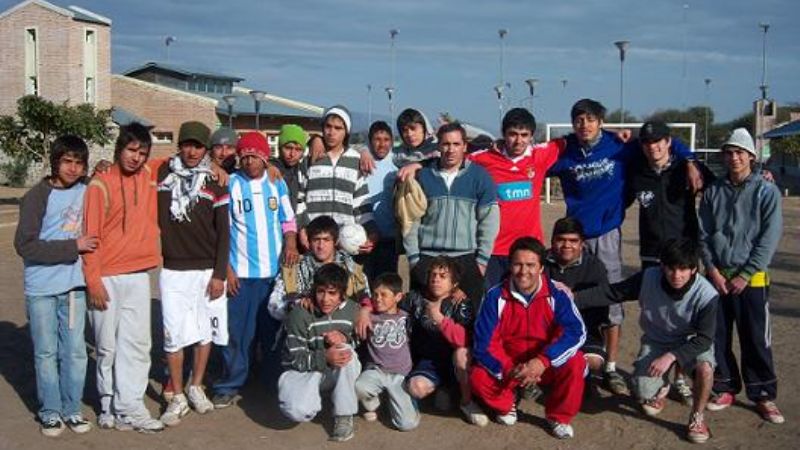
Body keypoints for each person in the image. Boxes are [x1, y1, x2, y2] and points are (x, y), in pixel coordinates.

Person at [547, 98, 702, 395]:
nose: (584, 125)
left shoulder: (620, 146)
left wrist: (692, 161)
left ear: (601, 122)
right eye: (579, 119)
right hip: (574, 237)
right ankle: (572, 360)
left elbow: (666, 142)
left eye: (590, 119)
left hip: (607, 233)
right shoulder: (566, 152)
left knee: (612, 301)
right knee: (567, 299)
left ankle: (610, 366)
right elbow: (532, 163)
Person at [575, 238, 719, 444]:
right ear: (662, 266)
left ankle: (697, 417)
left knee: (705, 369)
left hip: (690, 341)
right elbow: (613, 292)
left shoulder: (707, 295)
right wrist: (573, 297)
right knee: (642, 393)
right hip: (657, 340)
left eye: (683, 269)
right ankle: (661, 387)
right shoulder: (648, 278)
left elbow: (705, 339)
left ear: (694, 269)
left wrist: (671, 357)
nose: (676, 275)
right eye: (671, 268)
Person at [698, 128, 784, 424]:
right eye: (729, 153)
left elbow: (769, 238)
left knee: (756, 339)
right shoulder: (713, 191)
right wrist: (712, 270)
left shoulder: (766, 191)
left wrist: (747, 273)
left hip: (752, 279)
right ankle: (724, 386)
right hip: (717, 278)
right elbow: (704, 234)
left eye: (740, 153)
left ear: (751, 156)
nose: (734, 158)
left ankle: (763, 394)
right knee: (718, 337)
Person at [82, 122, 165, 432]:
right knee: (106, 346)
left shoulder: (149, 176)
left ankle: (130, 405)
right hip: (106, 278)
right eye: (132, 150)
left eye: (143, 153)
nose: (137, 158)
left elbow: (180, 159)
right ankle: (107, 405)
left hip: (138, 275)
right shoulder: (99, 185)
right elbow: (90, 237)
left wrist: (216, 166)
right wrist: (94, 282)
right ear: (119, 149)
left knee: (137, 344)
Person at [627, 120, 715, 404]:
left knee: (685, 317)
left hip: (684, 258)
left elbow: (726, 183)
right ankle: (661, 378)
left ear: (668, 142)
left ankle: (679, 376)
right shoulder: (637, 172)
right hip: (652, 256)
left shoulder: (685, 168)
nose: (653, 147)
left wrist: (763, 177)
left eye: (658, 141)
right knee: (658, 318)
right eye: (647, 142)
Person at [14, 136, 96, 437]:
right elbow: (25, 245)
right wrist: (73, 246)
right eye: (67, 161)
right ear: (56, 161)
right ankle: (50, 411)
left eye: (79, 163)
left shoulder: (87, 190)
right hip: (41, 290)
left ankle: (72, 409)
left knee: (74, 351)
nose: (73, 168)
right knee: (46, 352)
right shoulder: (37, 196)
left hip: (74, 287)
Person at [212, 132, 299, 408]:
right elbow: (220, 231)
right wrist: (227, 269)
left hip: (272, 275)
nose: (249, 161)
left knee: (271, 332)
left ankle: (271, 381)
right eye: (245, 156)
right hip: (241, 275)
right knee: (237, 333)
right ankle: (230, 383)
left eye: (255, 156)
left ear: (265, 157)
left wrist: (291, 245)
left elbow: (288, 220)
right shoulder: (231, 184)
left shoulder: (276, 183)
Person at [470, 237, 586, 439]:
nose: (524, 271)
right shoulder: (494, 296)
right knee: (477, 376)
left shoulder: (556, 294)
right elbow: (484, 344)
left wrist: (542, 361)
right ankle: (507, 405)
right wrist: (509, 368)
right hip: (511, 367)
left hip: (545, 365)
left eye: (531, 265)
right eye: (518, 264)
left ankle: (558, 417)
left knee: (576, 362)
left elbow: (575, 331)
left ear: (541, 267)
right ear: (510, 265)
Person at [156, 122, 230, 426]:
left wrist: (219, 274)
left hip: (206, 270)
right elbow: (128, 162)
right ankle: (177, 396)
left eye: (198, 146)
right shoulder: (162, 173)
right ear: (179, 145)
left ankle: (196, 386)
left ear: (205, 149)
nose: (191, 151)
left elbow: (223, 233)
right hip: (173, 269)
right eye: (186, 144)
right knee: (173, 336)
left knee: (203, 331)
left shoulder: (216, 181)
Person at [402, 122, 499, 309]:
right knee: (424, 322)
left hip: (466, 260)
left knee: (467, 323)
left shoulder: (479, 176)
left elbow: (489, 221)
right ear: (438, 146)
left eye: (456, 144)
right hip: (428, 259)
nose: (451, 149)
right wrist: (414, 260)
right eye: (446, 144)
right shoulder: (423, 176)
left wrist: (481, 261)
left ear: (465, 146)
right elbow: (410, 220)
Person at [468, 108, 560, 287]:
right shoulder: (482, 159)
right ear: (504, 134)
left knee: (527, 303)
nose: (519, 140)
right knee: (493, 303)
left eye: (524, 135)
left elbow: (573, 140)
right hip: (494, 249)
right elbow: (450, 159)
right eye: (513, 134)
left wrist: (616, 135)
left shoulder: (540, 155)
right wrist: (418, 165)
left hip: (529, 249)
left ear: (532, 136)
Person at [278, 263, 361, 442]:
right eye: (321, 291)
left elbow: (362, 342)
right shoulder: (300, 314)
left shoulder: (353, 310)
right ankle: (318, 397)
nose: (325, 299)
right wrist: (324, 357)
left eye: (332, 293)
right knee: (297, 411)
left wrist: (346, 339)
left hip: (335, 371)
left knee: (345, 351)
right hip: (304, 372)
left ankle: (344, 415)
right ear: (314, 290)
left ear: (342, 294)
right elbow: (293, 359)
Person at [543, 217, 613, 390]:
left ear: (582, 243)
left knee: (594, 361)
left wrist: (571, 299)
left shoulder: (595, 266)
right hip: (545, 329)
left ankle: (583, 377)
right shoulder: (539, 262)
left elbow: (602, 304)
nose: (567, 245)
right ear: (552, 241)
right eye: (561, 240)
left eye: (573, 241)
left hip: (582, 329)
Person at [296, 105, 377, 253]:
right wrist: (302, 228)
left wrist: (371, 233)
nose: (331, 132)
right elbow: (299, 197)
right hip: (315, 240)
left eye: (338, 128)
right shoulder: (309, 157)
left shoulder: (355, 160)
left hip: (344, 242)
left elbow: (360, 202)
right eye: (328, 126)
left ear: (346, 132)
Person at [268, 215, 370, 322]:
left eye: (326, 240)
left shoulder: (352, 269)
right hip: (303, 330)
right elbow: (273, 306)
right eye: (316, 240)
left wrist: (364, 309)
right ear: (309, 241)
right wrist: (296, 304)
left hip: (343, 330)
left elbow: (366, 300)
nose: (321, 246)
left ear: (335, 242)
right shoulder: (292, 269)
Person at [354, 272, 419, 431]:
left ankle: (405, 403)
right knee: (358, 387)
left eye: (384, 295)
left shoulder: (406, 318)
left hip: (400, 375)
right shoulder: (369, 317)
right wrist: (364, 310)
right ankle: (373, 403)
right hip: (377, 371)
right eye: (375, 294)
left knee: (407, 425)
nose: (378, 298)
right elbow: (360, 302)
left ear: (398, 297)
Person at [364, 121, 400, 282]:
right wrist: (363, 152)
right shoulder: (363, 161)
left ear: (392, 141)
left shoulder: (398, 163)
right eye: (377, 139)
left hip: (389, 239)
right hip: (365, 238)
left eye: (386, 139)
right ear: (370, 141)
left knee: (386, 286)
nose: (382, 144)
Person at [271, 124, 308, 212]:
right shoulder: (271, 169)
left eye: (298, 149)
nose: (292, 154)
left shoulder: (303, 171)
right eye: (288, 148)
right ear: (279, 148)